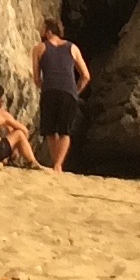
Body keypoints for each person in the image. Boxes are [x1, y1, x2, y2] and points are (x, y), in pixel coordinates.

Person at [34, 18, 91, 173]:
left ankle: (56, 164)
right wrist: (76, 90)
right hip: (69, 92)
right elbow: (85, 75)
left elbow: (36, 78)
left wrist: (45, 85)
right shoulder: (73, 48)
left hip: (50, 90)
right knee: (65, 131)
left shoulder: (39, 48)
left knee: (50, 130)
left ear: (48, 31)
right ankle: (58, 165)